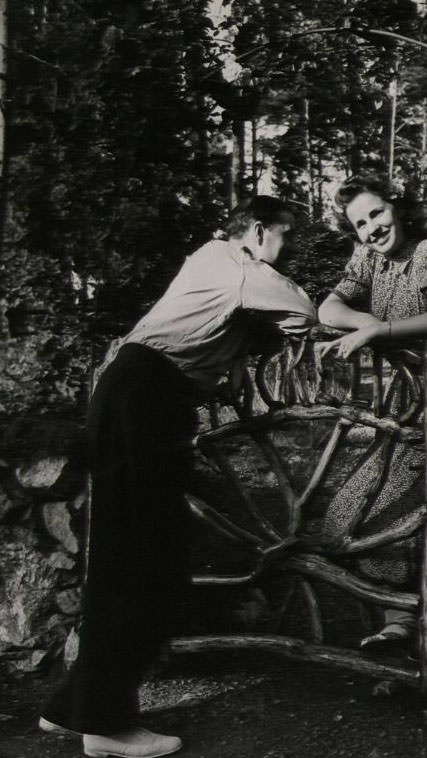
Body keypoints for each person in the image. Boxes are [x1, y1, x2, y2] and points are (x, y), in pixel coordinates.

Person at [39, 196, 316, 758]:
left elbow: (259, 334)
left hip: (147, 399)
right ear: (260, 232)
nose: (290, 252)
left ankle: (75, 705)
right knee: (138, 557)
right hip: (143, 397)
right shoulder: (232, 262)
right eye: (287, 237)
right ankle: (105, 727)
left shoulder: (226, 274)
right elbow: (304, 311)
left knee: (140, 553)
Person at [318, 173, 427, 650]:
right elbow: (327, 309)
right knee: (342, 518)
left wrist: (380, 330)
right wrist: (362, 319)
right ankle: (396, 618)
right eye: (360, 223)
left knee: (384, 513)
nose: (372, 228)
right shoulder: (369, 260)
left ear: (396, 206)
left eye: (376, 213)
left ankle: (406, 625)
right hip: (399, 417)